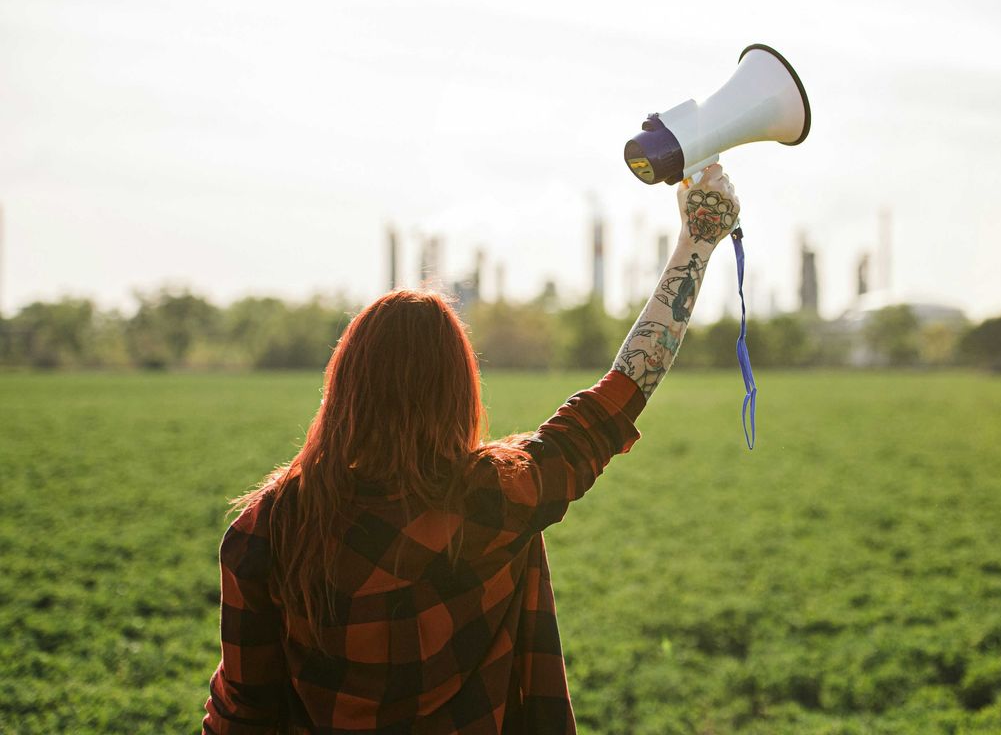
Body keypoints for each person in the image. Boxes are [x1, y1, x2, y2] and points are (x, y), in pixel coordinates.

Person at [203, 165, 741, 734]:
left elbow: (244, 713)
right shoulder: (497, 498)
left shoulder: (266, 530)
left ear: (345, 388)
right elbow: (625, 390)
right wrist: (698, 241)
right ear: (458, 391)